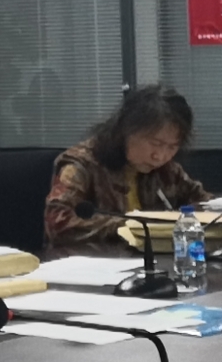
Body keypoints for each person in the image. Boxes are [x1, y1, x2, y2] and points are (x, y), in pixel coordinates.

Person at [43, 85, 210, 246]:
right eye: (155, 143)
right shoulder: (82, 164)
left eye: (172, 147)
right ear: (126, 131)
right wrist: (133, 225)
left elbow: (205, 204)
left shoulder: (166, 170)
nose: (160, 156)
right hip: (94, 260)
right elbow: (58, 223)